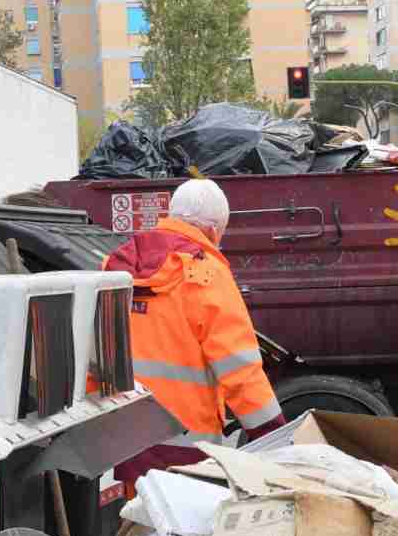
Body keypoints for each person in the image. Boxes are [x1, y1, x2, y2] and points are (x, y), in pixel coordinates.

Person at [103, 179, 285, 494]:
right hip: (187, 454)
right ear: (214, 231)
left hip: (120, 446)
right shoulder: (206, 274)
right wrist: (275, 437)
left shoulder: (114, 266)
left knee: (133, 534)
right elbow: (239, 370)